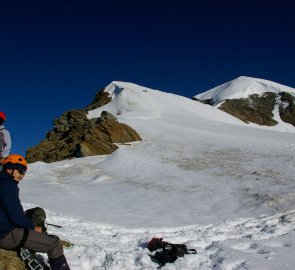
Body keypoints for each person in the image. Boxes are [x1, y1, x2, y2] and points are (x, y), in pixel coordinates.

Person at [0, 154, 70, 270]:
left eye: (24, 172)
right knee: (55, 244)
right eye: (20, 170)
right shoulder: (8, 186)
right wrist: (33, 227)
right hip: (6, 234)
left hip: (4, 229)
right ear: (9, 168)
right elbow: (16, 217)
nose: (22, 175)